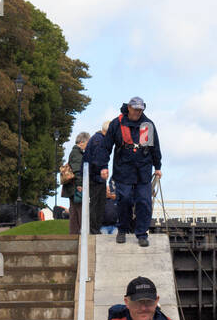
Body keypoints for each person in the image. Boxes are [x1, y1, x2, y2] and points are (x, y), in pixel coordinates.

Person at [102, 98, 162, 248]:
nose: (137, 112)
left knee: (144, 201)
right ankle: (122, 229)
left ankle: (142, 233)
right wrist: (103, 166)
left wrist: (158, 167)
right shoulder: (117, 124)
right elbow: (106, 147)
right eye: (135, 109)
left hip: (143, 171)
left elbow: (155, 147)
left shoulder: (147, 125)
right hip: (123, 170)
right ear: (129, 108)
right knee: (125, 199)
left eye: (140, 110)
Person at [83, 121, 111, 234]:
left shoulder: (96, 138)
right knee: (97, 204)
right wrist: (102, 170)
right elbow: (98, 160)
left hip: (95, 176)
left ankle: (95, 228)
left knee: (98, 203)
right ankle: (94, 229)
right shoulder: (100, 141)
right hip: (96, 177)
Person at [67, 132, 90, 236]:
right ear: (82, 142)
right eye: (87, 143)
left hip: (72, 187)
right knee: (80, 211)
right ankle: (80, 234)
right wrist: (80, 184)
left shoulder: (74, 152)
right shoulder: (77, 153)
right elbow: (77, 170)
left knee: (74, 212)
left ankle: (74, 234)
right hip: (77, 187)